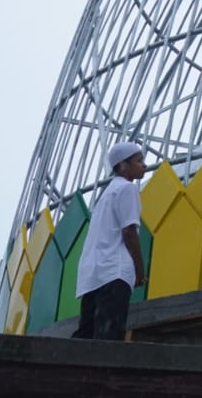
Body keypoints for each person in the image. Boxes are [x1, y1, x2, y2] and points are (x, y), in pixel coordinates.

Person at [73, 141, 147, 341]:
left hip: (92, 276)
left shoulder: (105, 196)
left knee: (85, 335)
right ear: (123, 165)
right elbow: (129, 231)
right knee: (108, 336)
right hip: (114, 272)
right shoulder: (127, 189)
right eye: (139, 161)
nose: (144, 165)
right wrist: (140, 271)